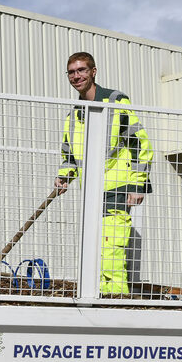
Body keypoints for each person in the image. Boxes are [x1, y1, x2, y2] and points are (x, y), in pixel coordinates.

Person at [54, 52, 153, 295]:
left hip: (118, 188)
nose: (76, 76)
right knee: (95, 248)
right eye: (72, 72)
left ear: (93, 72)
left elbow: (139, 143)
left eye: (81, 70)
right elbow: (70, 152)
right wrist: (64, 175)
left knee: (111, 247)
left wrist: (137, 185)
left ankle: (115, 299)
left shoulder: (115, 101)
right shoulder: (74, 114)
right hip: (91, 191)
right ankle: (98, 295)